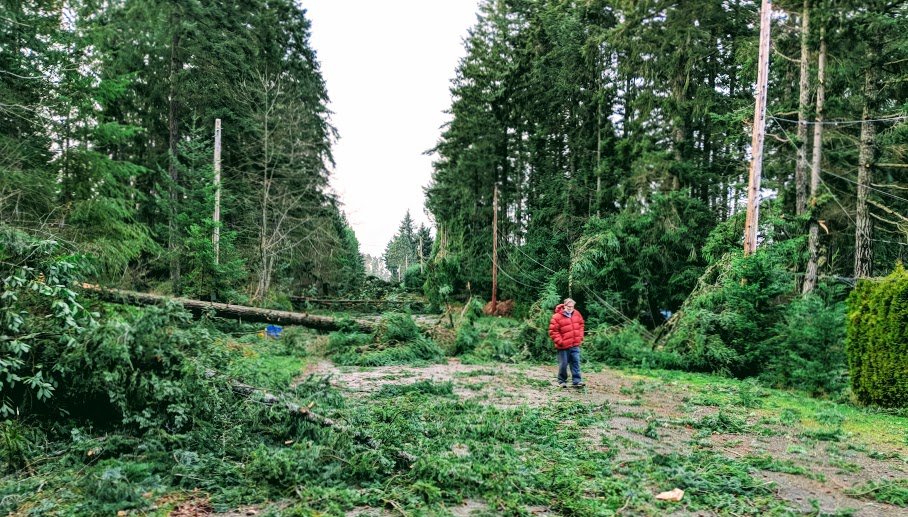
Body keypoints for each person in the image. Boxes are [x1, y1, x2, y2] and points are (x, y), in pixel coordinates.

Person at [548, 297, 585, 387]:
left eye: (572, 306)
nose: (570, 308)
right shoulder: (556, 317)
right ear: (564, 306)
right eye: (568, 306)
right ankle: (562, 381)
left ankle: (577, 381)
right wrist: (560, 342)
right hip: (563, 346)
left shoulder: (577, 313)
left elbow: (581, 325)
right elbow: (553, 331)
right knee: (563, 364)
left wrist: (580, 337)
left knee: (575, 362)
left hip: (575, 344)